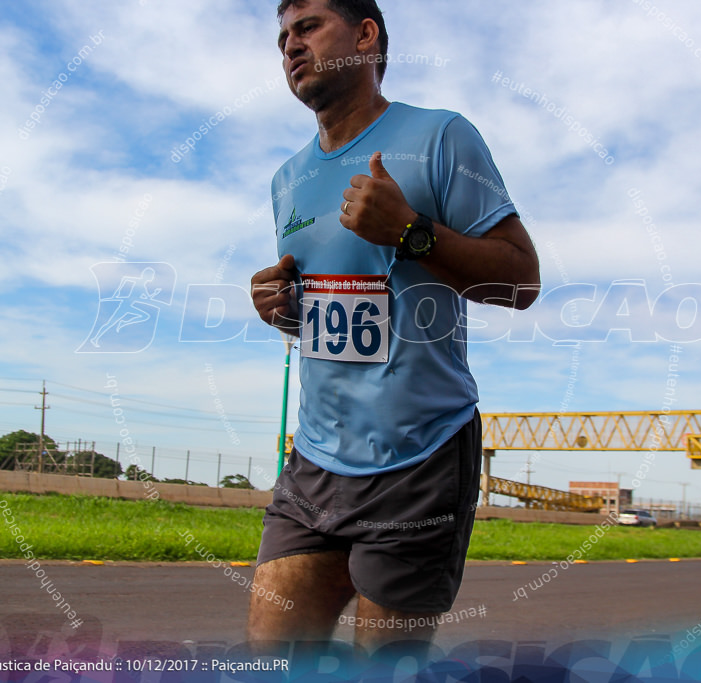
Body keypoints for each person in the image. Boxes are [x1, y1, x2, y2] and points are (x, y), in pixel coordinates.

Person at [248, 0, 540, 653]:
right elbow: (334, 316)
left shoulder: (441, 137)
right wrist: (285, 312)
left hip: (421, 454)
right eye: (283, 35)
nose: (289, 46)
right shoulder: (286, 180)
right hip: (316, 460)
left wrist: (410, 231)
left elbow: (521, 280)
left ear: (365, 35)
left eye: (308, 28)